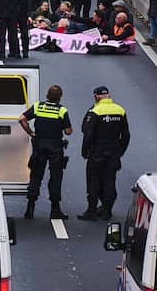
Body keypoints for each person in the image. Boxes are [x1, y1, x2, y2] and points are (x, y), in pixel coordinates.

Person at [18, 85, 73, 220]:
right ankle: (55, 210)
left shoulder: (38, 107)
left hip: (39, 145)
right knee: (55, 177)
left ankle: (30, 209)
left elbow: (21, 118)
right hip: (55, 146)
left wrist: (30, 132)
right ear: (60, 97)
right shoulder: (62, 110)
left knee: (36, 176)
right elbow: (68, 131)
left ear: (47, 95)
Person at [78, 86, 130, 220]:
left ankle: (91, 211)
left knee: (93, 181)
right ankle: (107, 210)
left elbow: (86, 131)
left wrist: (85, 151)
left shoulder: (96, 110)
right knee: (109, 182)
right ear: (109, 96)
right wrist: (120, 152)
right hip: (113, 155)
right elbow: (126, 135)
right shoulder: (120, 110)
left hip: (97, 154)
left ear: (96, 96)